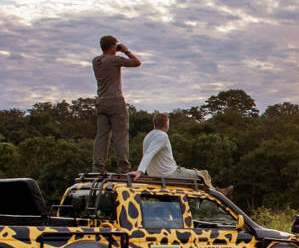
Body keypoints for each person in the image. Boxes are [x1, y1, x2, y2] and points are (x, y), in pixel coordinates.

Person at [138, 113, 230, 194]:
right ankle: (217, 193)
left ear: (155, 123)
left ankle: (210, 193)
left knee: (190, 179)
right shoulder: (162, 136)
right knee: (203, 174)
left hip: (154, 175)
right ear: (166, 124)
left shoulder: (148, 136)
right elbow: (149, 153)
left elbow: (148, 153)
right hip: (169, 174)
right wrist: (140, 171)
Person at [91, 35, 141, 169]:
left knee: (101, 135)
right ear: (113, 46)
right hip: (115, 100)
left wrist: (114, 50)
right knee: (120, 134)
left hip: (101, 101)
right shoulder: (114, 60)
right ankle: (123, 166)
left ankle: (97, 166)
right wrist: (125, 51)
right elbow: (137, 62)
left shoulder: (96, 61)